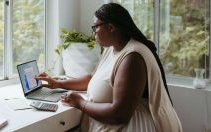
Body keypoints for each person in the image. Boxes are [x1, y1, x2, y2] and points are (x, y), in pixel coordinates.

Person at [35, 2, 182, 132]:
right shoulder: (112, 48)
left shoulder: (133, 57)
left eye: (95, 27)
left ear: (110, 27)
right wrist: (58, 83)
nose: (94, 33)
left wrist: (81, 103)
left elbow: (120, 114)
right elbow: (93, 78)